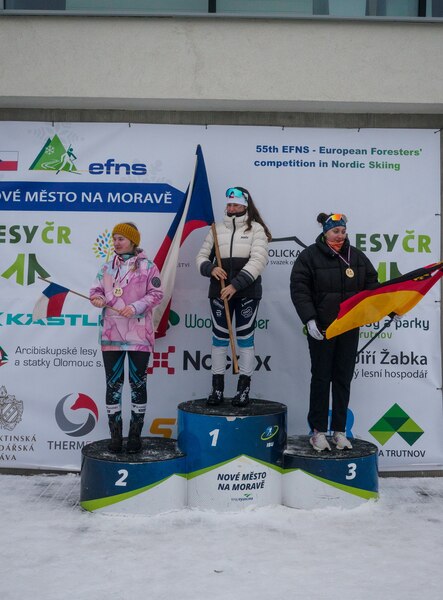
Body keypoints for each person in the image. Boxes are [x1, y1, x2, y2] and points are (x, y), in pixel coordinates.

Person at [290, 213, 378, 452]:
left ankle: (339, 431)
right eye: (335, 231)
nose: (340, 235)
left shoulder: (356, 257)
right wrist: (309, 319)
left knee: (343, 378)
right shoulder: (309, 256)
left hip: (349, 327)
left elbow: (373, 288)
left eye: (343, 231)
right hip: (323, 329)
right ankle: (318, 432)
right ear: (325, 232)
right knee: (321, 378)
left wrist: (390, 309)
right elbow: (299, 289)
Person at [90, 222, 163, 453]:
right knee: (113, 385)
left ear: (133, 241)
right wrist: (97, 299)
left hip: (139, 335)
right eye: (114, 239)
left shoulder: (148, 266)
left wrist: (135, 307)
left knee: (137, 384)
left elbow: (157, 294)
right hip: (111, 334)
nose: (116, 243)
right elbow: (95, 290)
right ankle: (115, 436)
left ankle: (134, 436)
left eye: (121, 238)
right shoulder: (107, 267)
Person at [196, 186, 271, 407]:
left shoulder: (256, 229)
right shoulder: (216, 229)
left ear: (245, 205)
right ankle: (217, 389)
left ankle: (243, 390)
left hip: (246, 292)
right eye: (229, 204)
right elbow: (201, 257)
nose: (231, 208)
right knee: (219, 339)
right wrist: (210, 268)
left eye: (236, 204)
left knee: (245, 339)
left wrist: (235, 286)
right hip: (219, 291)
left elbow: (258, 260)